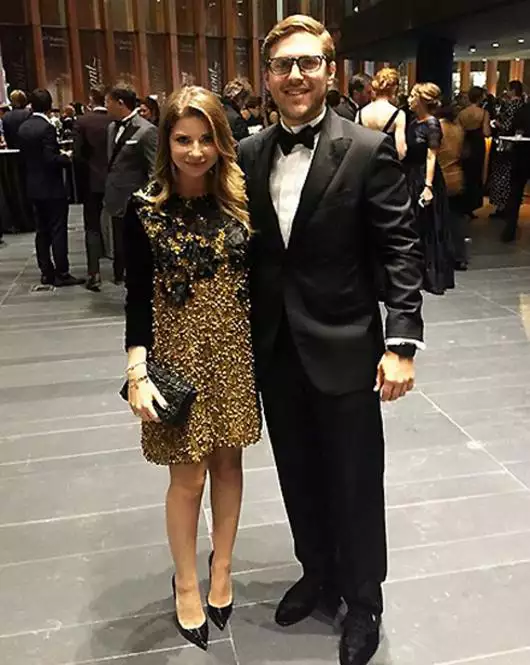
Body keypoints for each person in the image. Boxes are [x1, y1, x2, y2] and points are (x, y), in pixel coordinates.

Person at [239, 15, 424, 665]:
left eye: (308, 62)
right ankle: (317, 571)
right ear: (267, 76)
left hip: (346, 343)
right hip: (275, 348)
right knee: (298, 471)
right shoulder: (248, 153)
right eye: (282, 64)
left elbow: (401, 249)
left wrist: (401, 343)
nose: (295, 75)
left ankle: (364, 599)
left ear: (329, 70)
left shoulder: (367, 150)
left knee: (355, 478)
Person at [124, 86, 261, 651]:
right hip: (177, 358)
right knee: (188, 478)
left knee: (228, 466)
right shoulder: (144, 209)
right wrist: (137, 372)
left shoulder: (241, 202)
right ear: (167, 143)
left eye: (207, 139)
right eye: (184, 139)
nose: (196, 151)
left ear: (222, 142)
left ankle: (221, 566)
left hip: (233, 355)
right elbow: (136, 297)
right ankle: (186, 580)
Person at [18, 89, 84, 287]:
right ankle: (62, 272)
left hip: (32, 186)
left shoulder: (24, 127)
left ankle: (46, 271)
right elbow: (49, 158)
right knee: (57, 230)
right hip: (51, 187)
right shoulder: (46, 128)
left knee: (42, 231)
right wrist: (66, 158)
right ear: (49, 105)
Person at [104, 86, 158, 284]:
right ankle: (120, 272)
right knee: (117, 239)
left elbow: (154, 170)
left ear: (120, 103)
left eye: (108, 102)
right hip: (115, 195)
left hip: (135, 199)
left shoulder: (146, 130)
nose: (105, 107)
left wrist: (150, 201)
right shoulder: (111, 128)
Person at [405, 83, 454, 295]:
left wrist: (428, 185)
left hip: (425, 177)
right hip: (411, 175)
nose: (409, 99)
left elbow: (431, 156)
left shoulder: (432, 124)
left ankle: (432, 275)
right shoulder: (413, 122)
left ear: (422, 101)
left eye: (413, 96)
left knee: (429, 224)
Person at [73, 85, 112, 291]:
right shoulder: (115, 120)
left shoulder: (83, 121)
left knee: (92, 227)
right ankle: (121, 271)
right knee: (120, 226)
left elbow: (77, 155)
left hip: (92, 181)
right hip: (115, 181)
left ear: (91, 99)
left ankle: (94, 273)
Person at [488, 80, 525, 218]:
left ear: (512, 90)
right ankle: (511, 207)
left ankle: (502, 207)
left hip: (504, 145)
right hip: (518, 147)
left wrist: (496, 123)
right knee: (512, 177)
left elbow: (506, 126)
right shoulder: (523, 105)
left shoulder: (509, 106)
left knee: (501, 175)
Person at [438, 103, 469, 270]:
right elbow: (464, 153)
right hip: (456, 176)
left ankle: (442, 254)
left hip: (440, 176)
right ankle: (459, 256)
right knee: (457, 219)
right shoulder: (458, 129)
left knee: (439, 218)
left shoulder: (437, 128)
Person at [356, 68, 407, 161]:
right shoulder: (398, 114)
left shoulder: (360, 112)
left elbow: (356, 145)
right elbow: (401, 152)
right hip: (386, 165)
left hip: (365, 164)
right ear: (394, 88)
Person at [457, 86, 490, 216]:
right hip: (478, 145)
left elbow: (458, 131)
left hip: (465, 143)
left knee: (465, 174)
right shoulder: (483, 113)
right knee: (476, 175)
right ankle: (472, 205)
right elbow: (486, 132)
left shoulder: (462, 113)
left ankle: (462, 206)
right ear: (480, 98)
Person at [501, 98, 530, 242]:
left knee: (515, 194)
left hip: (521, 157)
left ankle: (510, 230)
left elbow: (511, 131)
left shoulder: (521, 111)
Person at [221, 78, 253, 142]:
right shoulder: (237, 120)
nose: (245, 105)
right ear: (240, 99)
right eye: (246, 100)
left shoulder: (217, 109)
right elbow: (244, 145)